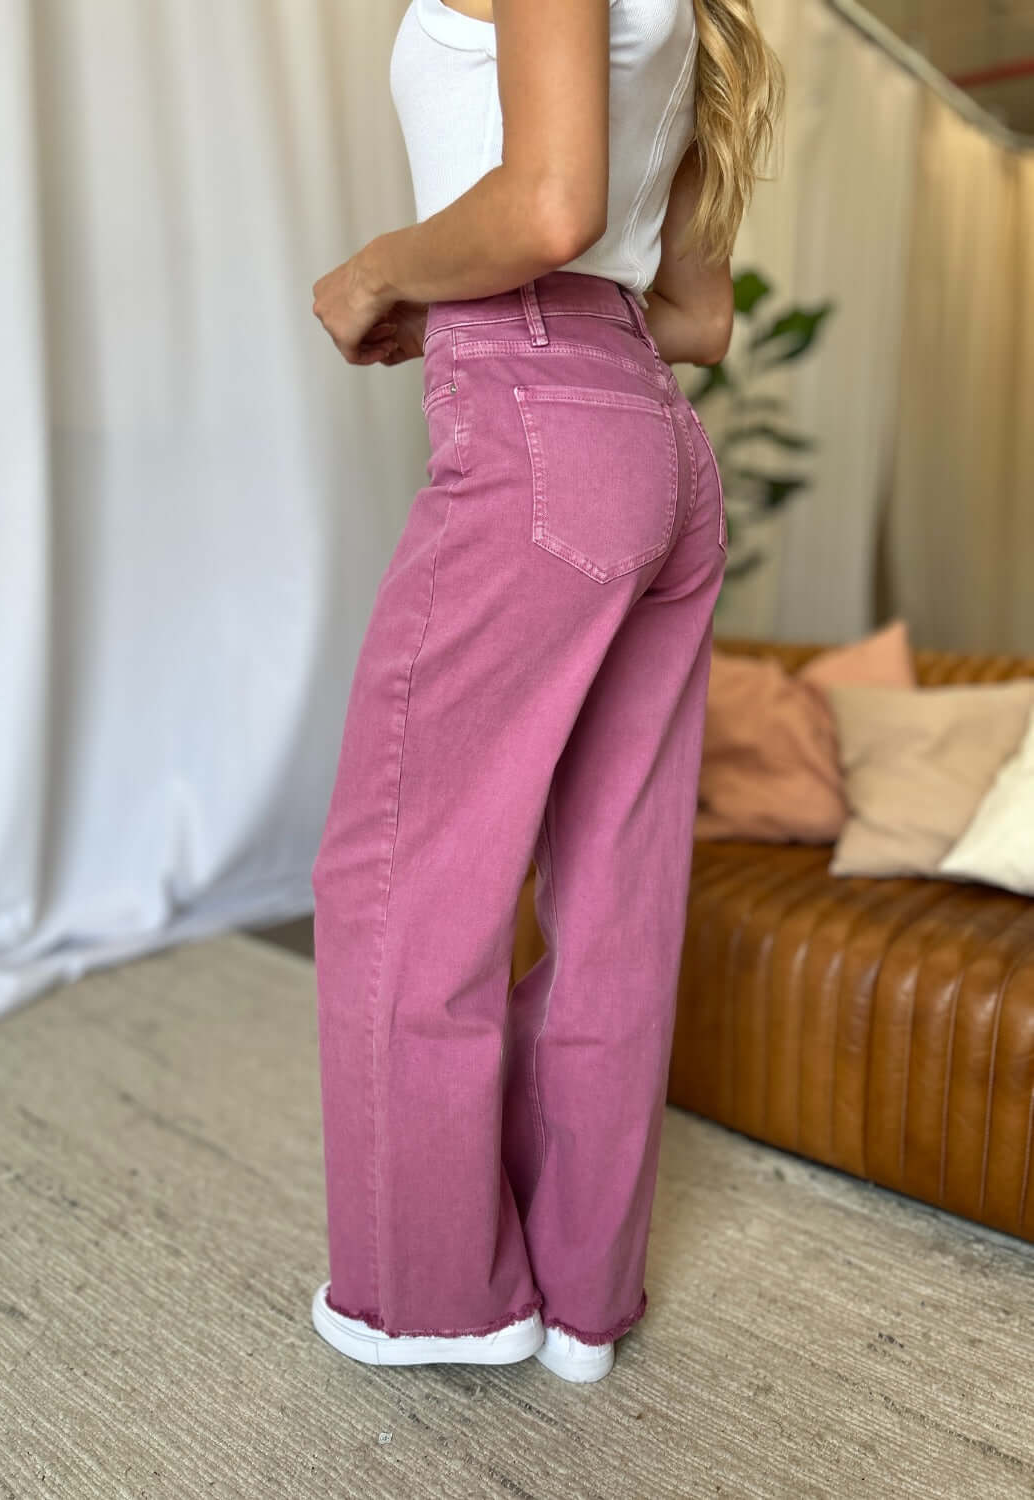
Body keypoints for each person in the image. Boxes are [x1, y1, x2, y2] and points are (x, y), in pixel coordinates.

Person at [309, 0, 784, 1383]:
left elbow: (547, 204)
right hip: (654, 444)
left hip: (536, 428)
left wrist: (374, 273)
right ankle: (582, 1297)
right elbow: (696, 319)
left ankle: (436, 1297)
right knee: (612, 891)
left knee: (402, 870)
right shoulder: (705, 22)